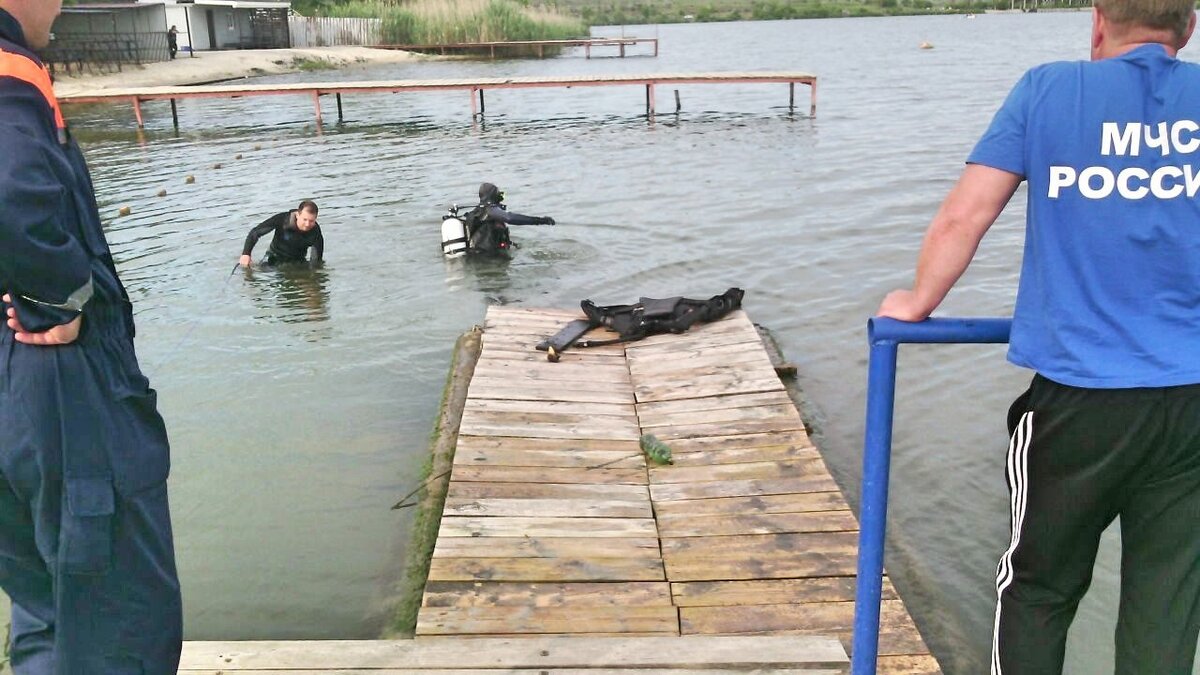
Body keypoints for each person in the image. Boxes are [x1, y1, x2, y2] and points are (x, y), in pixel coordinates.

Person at [877, 1, 1200, 672]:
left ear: (1099, 20)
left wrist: (917, 300)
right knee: (1167, 604)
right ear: (1188, 29)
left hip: (1079, 400)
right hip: (1193, 401)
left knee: (1038, 590)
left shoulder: (1049, 88)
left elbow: (967, 213)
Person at [0, 0, 183, 672]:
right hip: (61, 390)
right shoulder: (10, 71)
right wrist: (62, 295)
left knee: (49, 607)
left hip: (12, 392)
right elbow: (11, 193)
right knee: (118, 622)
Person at [464, 182, 554, 254]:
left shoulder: (477, 211)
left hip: (480, 255)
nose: (501, 198)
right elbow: (510, 218)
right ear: (493, 196)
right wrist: (541, 220)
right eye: (499, 195)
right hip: (491, 257)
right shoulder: (490, 210)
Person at [240, 200, 324, 267]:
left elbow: (316, 260)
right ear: (298, 215)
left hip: (297, 262)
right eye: (305, 219)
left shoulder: (315, 232)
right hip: (273, 258)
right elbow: (255, 233)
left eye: (311, 221)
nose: (307, 224)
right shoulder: (282, 219)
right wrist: (246, 254)